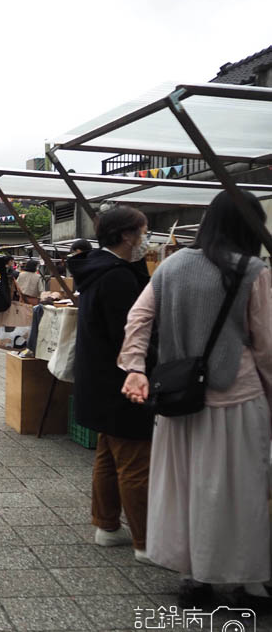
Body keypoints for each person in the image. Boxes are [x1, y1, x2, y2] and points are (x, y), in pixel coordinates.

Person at [121, 191, 272, 608]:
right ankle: (249, 581)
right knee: (239, 490)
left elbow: (139, 317)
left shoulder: (173, 265)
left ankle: (193, 577)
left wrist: (135, 366)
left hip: (178, 398)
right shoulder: (253, 270)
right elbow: (266, 347)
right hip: (236, 397)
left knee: (185, 488)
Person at [67, 206, 154, 566]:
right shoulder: (116, 276)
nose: (146, 239)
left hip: (97, 377)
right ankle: (146, 541)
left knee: (107, 454)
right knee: (134, 461)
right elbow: (130, 332)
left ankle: (106, 525)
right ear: (125, 236)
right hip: (121, 378)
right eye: (143, 232)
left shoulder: (97, 269)